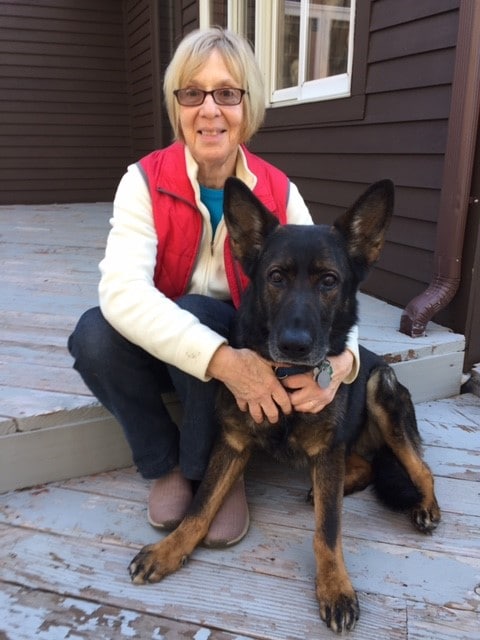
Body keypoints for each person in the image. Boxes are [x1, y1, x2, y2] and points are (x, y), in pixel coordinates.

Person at [68, 27, 359, 548]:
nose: (209, 109)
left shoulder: (278, 190)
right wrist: (225, 362)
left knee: (204, 312)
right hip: (193, 350)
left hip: (244, 341)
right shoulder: (143, 181)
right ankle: (166, 465)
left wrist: (339, 367)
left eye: (227, 92)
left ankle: (217, 474)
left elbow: (333, 283)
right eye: (192, 92)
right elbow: (121, 294)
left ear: (248, 106)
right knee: (92, 335)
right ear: (175, 104)